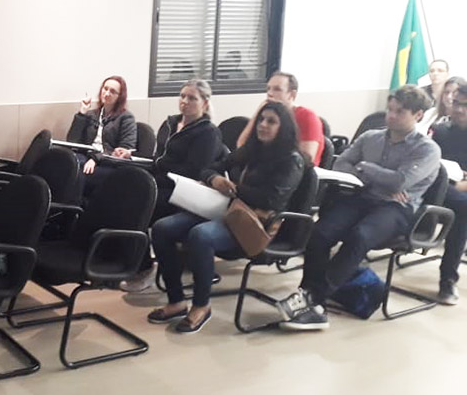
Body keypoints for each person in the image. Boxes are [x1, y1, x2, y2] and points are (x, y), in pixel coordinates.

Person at [279, 85, 440, 330]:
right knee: (320, 232)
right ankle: (311, 301)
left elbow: (400, 182)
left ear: (418, 115)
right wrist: (378, 176)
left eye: (400, 112)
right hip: (362, 198)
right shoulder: (370, 137)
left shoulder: (427, 149)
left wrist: (364, 167)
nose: (391, 115)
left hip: (397, 208)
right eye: (390, 109)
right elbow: (341, 164)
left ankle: (312, 298)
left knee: (360, 235)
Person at [147, 101, 305, 333]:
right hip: (230, 211)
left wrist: (233, 189)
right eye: (261, 120)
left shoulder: (292, 160)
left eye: (271, 121)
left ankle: (201, 306)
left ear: (284, 128)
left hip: (255, 225)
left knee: (201, 235)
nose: (263, 125)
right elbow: (209, 168)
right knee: (162, 228)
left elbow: (270, 200)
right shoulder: (252, 149)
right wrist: (215, 179)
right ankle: (176, 301)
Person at [119, 79, 225, 291]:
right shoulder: (170, 124)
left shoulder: (208, 132)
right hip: (162, 181)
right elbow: (158, 159)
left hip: (184, 191)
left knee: (138, 205)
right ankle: (126, 262)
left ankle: (144, 268)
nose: (185, 101)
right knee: (124, 191)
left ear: (204, 103)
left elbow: (195, 170)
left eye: (192, 98)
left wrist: (161, 165)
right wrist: (138, 158)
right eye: (182, 96)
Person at [65, 75, 137, 195]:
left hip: (108, 163)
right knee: (66, 165)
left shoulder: (126, 118)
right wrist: (82, 113)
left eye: (112, 91)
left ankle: (73, 205)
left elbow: (123, 150)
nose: (107, 93)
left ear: (120, 96)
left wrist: (96, 158)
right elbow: (73, 141)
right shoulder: (92, 114)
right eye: (105, 89)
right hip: (86, 157)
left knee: (79, 174)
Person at [238, 71, 324, 166]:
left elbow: (306, 159)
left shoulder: (307, 116)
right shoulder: (266, 115)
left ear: (291, 95)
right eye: (268, 89)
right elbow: (241, 147)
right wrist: (258, 113)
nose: (270, 93)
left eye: (277, 89)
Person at [433, 81, 467, 304]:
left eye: (465, 105)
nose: (459, 110)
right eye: (456, 104)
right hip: (441, 186)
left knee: (463, 209)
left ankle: (447, 279)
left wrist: (461, 185)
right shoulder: (441, 131)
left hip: (460, 192)